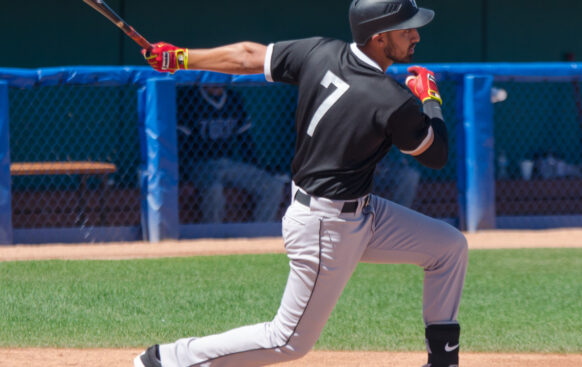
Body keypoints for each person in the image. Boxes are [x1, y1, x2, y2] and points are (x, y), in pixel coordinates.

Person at [136, 1, 468, 367]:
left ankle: (442, 361)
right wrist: (431, 99)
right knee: (287, 341)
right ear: (378, 37)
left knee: (448, 248)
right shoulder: (391, 99)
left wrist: (181, 58)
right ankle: (166, 360)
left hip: (361, 212)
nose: (416, 35)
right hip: (327, 226)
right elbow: (436, 155)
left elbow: (249, 56)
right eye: (407, 29)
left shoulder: (321, 51)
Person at [177, 85, 286, 223]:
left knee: (273, 186)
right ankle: (212, 240)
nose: (217, 77)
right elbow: (181, 144)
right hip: (200, 165)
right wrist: (184, 176)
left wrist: (259, 169)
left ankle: (258, 237)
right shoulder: (190, 98)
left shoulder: (234, 98)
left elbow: (245, 142)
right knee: (214, 192)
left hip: (230, 164)